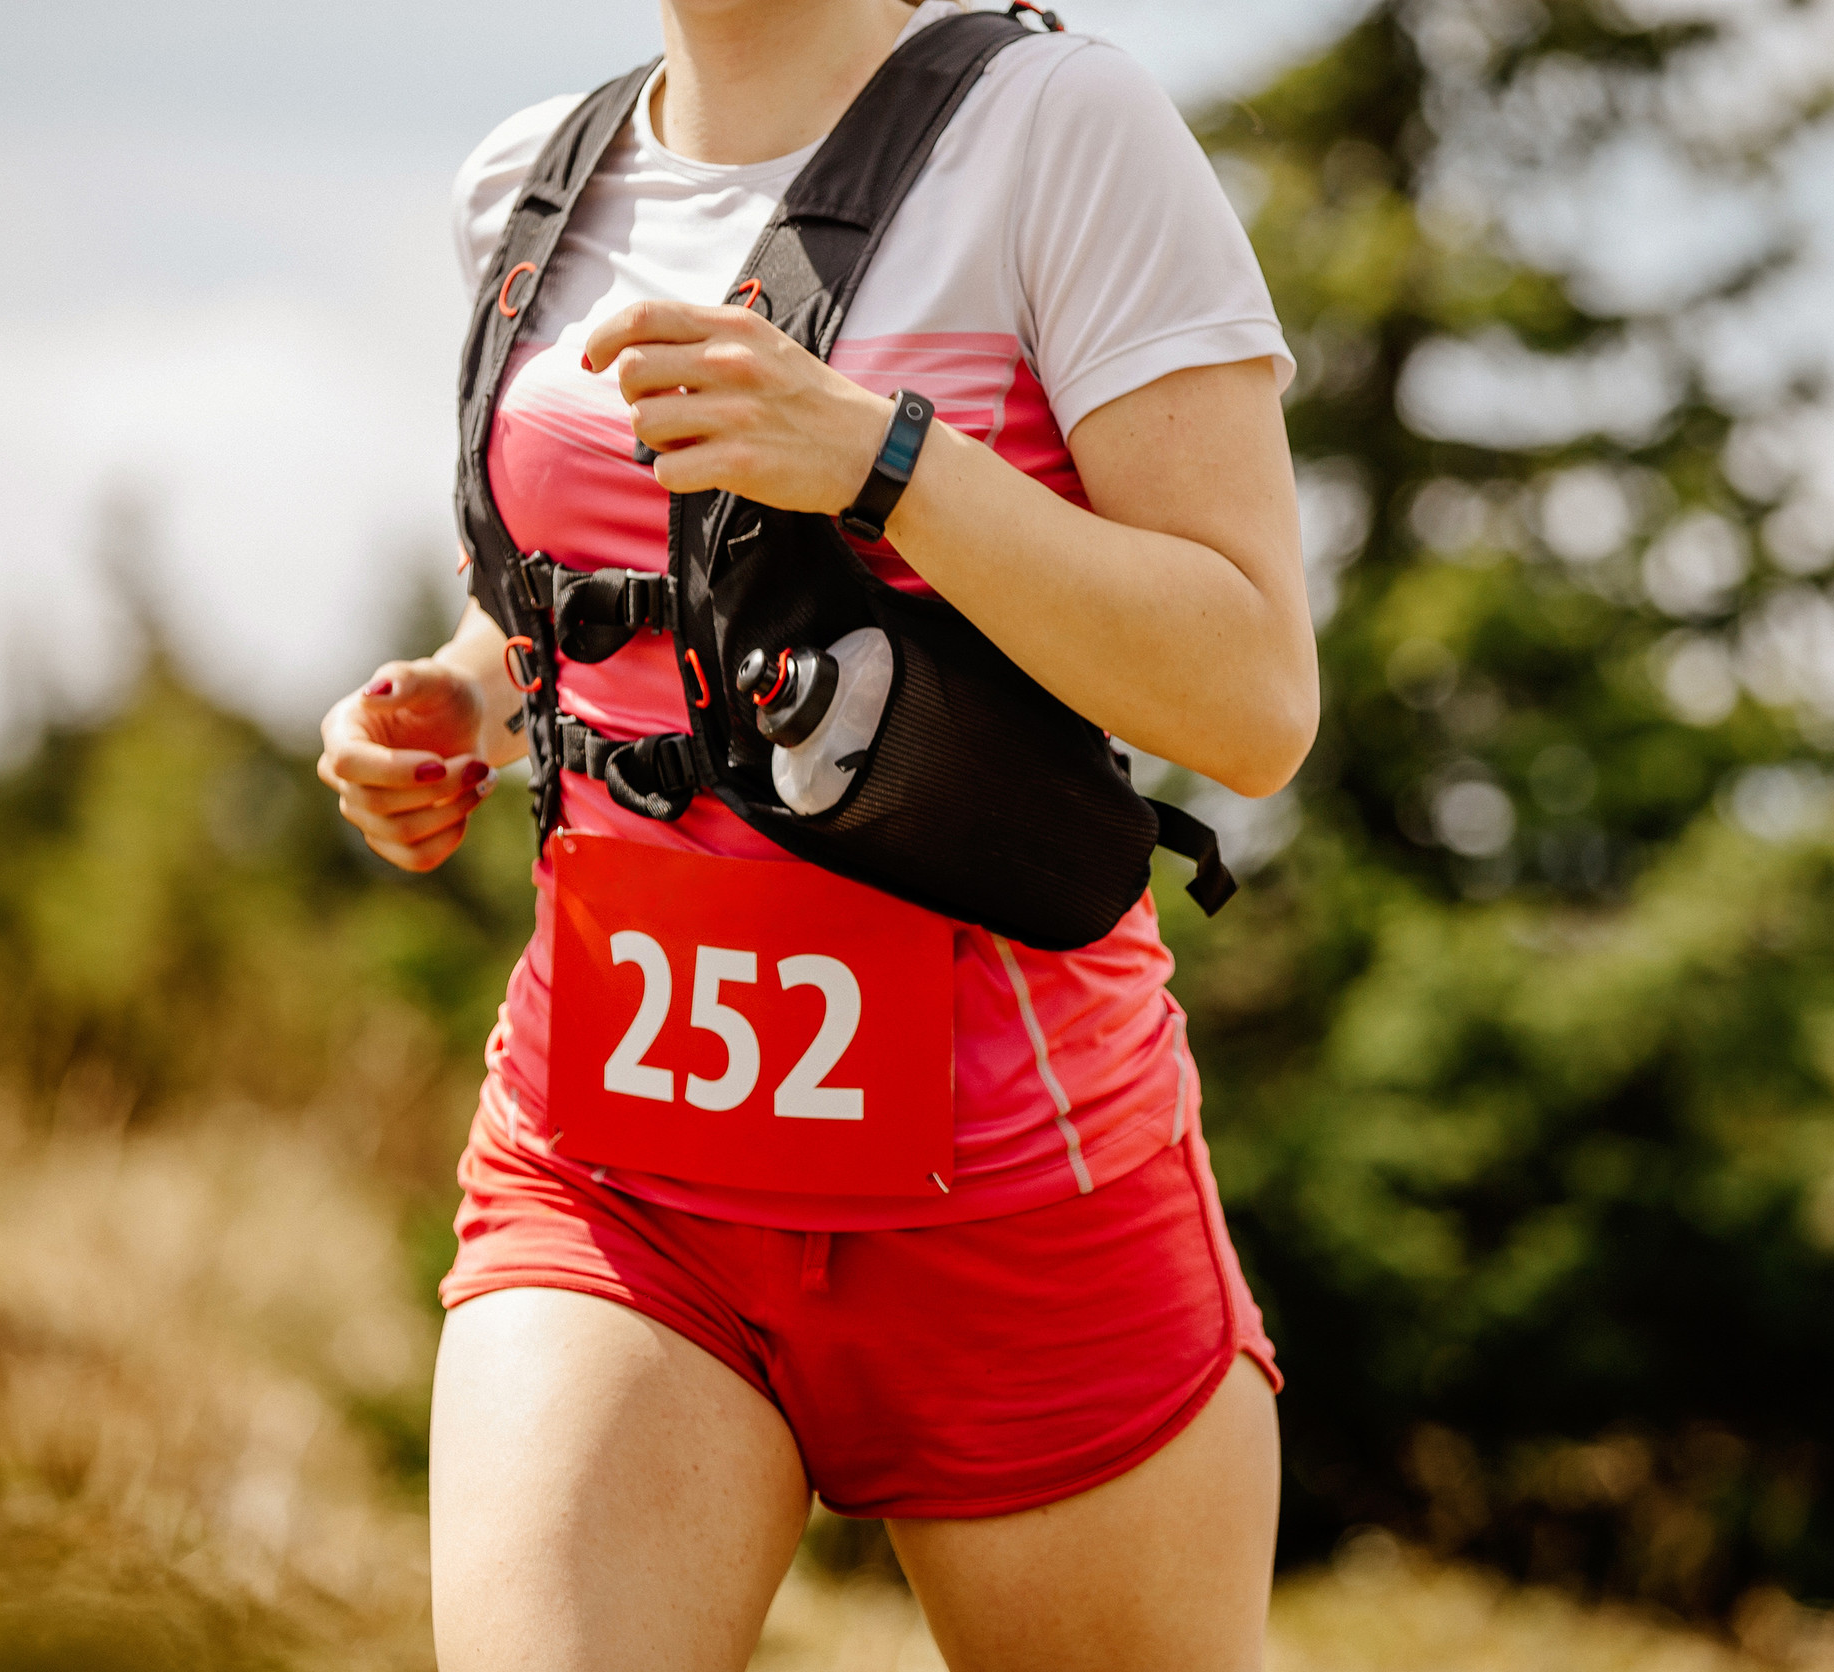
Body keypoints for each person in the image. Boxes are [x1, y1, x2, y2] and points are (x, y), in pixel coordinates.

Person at [315, 1, 1318, 1665]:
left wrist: (882, 460)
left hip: (1020, 1198)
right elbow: (627, 581)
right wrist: (462, 696)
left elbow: (1253, 698)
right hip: (616, 1179)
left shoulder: (1062, 131)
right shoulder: (530, 181)